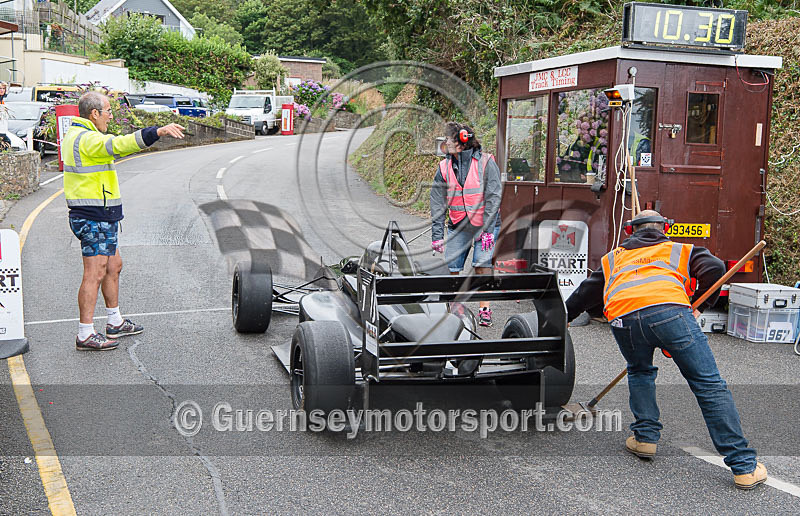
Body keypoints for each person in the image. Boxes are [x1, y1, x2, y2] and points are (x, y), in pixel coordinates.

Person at [564, 210, 766, 490]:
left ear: (630, 232)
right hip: (670, 314)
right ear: (665, 229)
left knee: (639, 371)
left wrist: (564, 317)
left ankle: (645, 438)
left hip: (624, 320)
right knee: (708, 385)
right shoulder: (679, 249)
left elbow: (586, 292)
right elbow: (716, 269)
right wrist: (698, 306)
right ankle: (744, 467)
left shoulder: (613, 258)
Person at [63, 91, 185, 351]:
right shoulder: (86, 139)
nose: (110, 115)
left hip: (102, 215)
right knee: (94, 273)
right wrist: (158, 132)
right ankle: (85, 333)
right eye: (107, 111)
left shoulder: (80, 135)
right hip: (93, 217)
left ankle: (114, 321)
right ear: (94, 113)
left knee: (113, 265)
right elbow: (119, 145)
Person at [430, 122, 501, 327]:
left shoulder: (486, 162)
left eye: (448, 139)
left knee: (482, 266)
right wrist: (437, 235)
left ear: (461, 143)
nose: (445, 143)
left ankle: (484, 309)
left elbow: (494, 196)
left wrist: (488, 230)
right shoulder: (443, 167)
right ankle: (455, 307)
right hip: (458, 224)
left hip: (485, 225)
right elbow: (437, 200)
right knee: (452, 267)